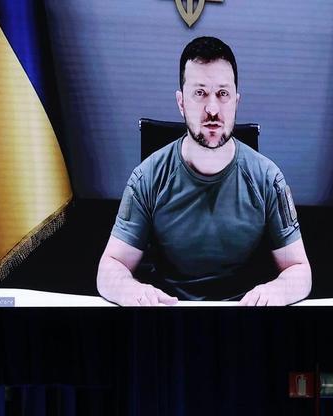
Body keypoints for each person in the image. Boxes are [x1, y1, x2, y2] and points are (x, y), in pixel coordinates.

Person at [97, 36, 310, 306]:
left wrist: (277, 292)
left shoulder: (268, 179)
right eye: (199, 93)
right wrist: (132, 292)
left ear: (236, 100)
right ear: (181, 102)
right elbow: (109, 268)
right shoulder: (147, 177)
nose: (212, 109)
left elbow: (300, 270)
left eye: (223, 94)